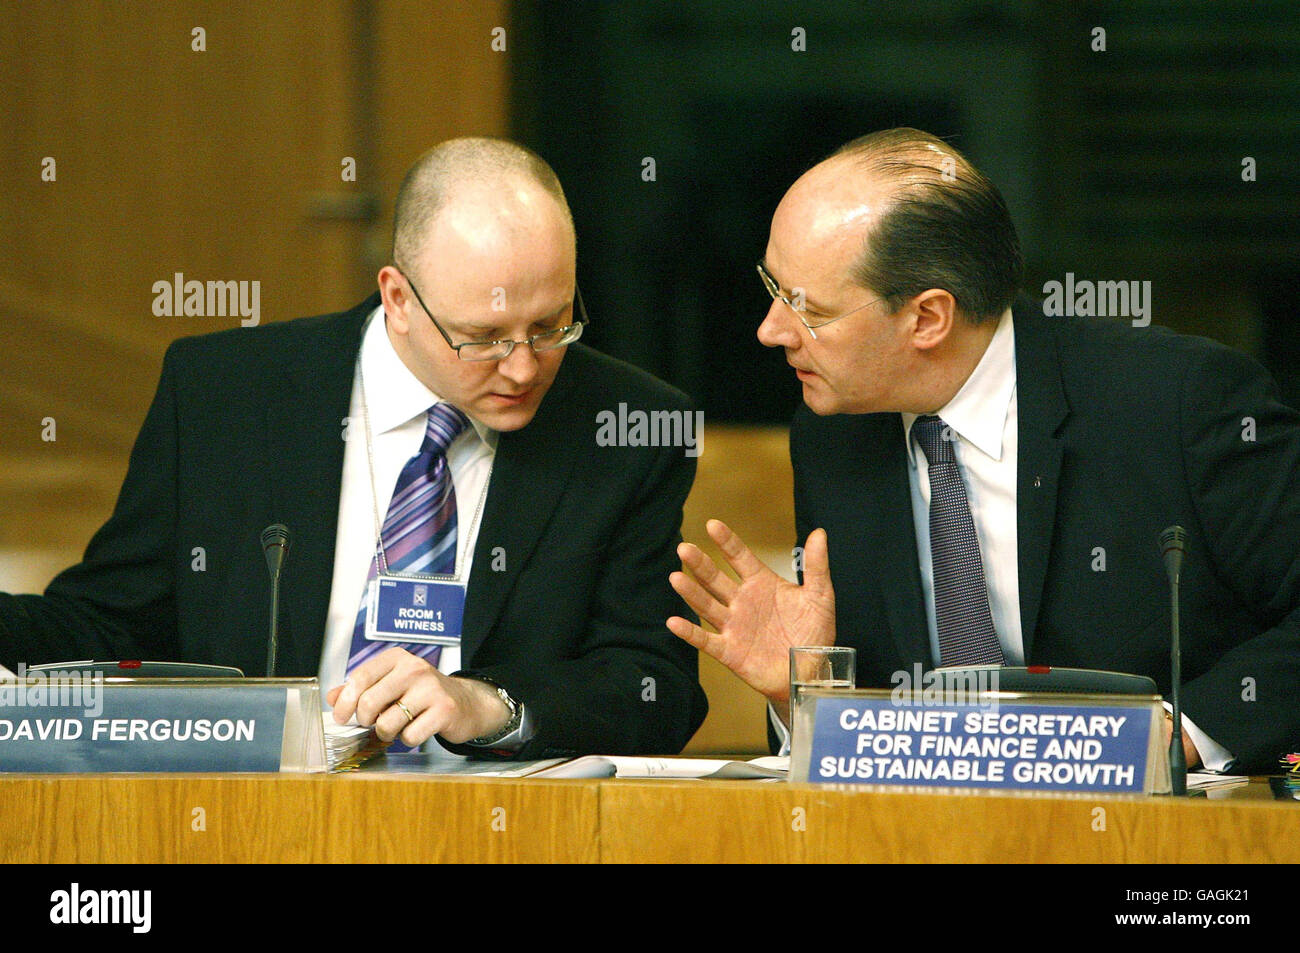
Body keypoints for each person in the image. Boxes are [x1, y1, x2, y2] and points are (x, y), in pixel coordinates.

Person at [0, 138, 707, 759]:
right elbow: (112, 621)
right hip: (255, 820)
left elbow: (654, 683)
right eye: (484, 338)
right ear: (398, 298)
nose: (523, 367)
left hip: (498, 824)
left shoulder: (627, 424)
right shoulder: (225, 396)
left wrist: (486, 705)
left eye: (552, 325)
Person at [668, 127, 1300, 773]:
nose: (770, 330)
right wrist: (800, 692)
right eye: (773, 288)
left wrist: (1178, 736)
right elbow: (877, 735)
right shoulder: (833, 434)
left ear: (928, 318)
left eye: (809, 310)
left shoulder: (1176, 401)